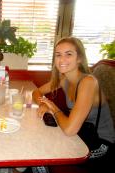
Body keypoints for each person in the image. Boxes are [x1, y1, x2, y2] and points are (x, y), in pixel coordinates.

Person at [32, 36, 115, 173]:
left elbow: (70, 129)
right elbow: (37, 92)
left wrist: (53, 107)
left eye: (68, 54)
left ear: (79, 58)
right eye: (58, 55)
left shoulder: (88, 82)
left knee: (41, 154)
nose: (62, 59)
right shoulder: (65, 79)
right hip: (80, 133)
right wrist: (43, 105)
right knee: (38, 140)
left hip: (100, 144)